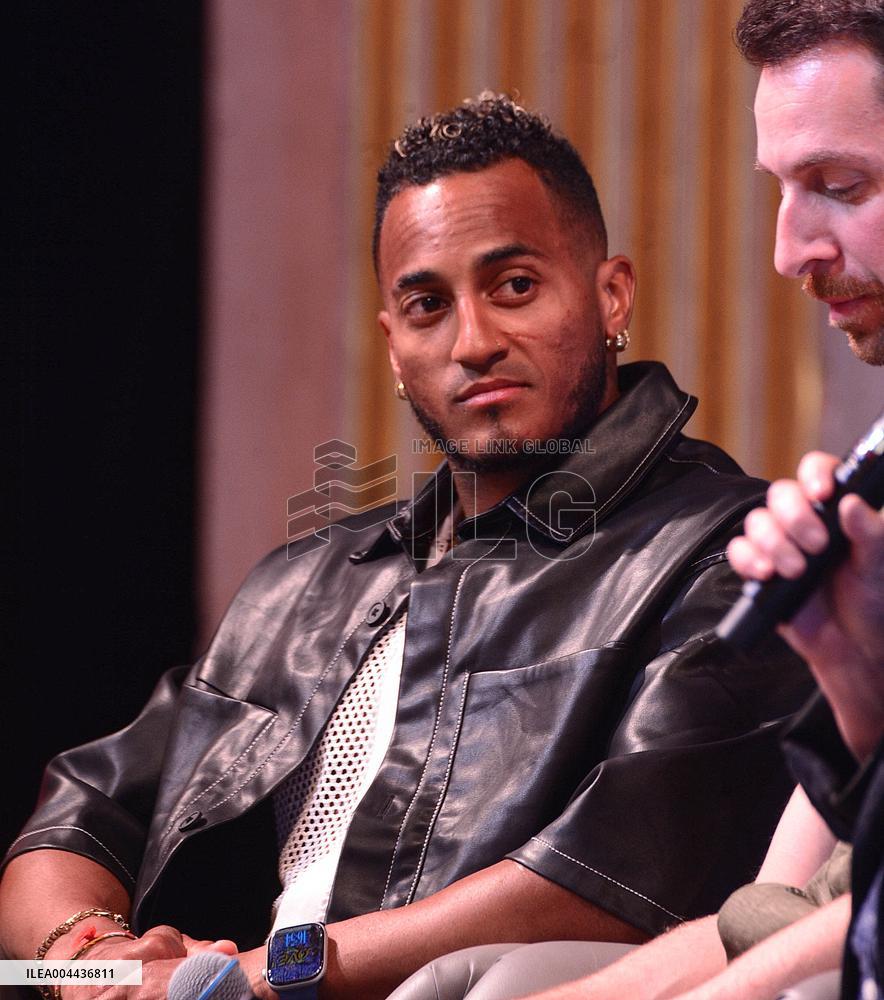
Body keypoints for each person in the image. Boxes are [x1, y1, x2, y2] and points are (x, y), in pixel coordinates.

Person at [0, 96, 811, 1000]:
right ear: (393, 344)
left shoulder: (730, 550)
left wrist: (257, 978)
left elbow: (609, 881)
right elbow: (84, 806)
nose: (473, 343)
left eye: (514, 287)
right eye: (427, 305)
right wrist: (86, 956)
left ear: (610, 293)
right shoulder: (302, 584)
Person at [387, 3, 884, 999]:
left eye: (840, 186)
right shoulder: (871, 465)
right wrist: (855, 685)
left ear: (612, 297)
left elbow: (782, 926)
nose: (790, 251)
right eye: (425, 304)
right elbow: (775, 901)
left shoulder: (702, 537)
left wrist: (286, 971)